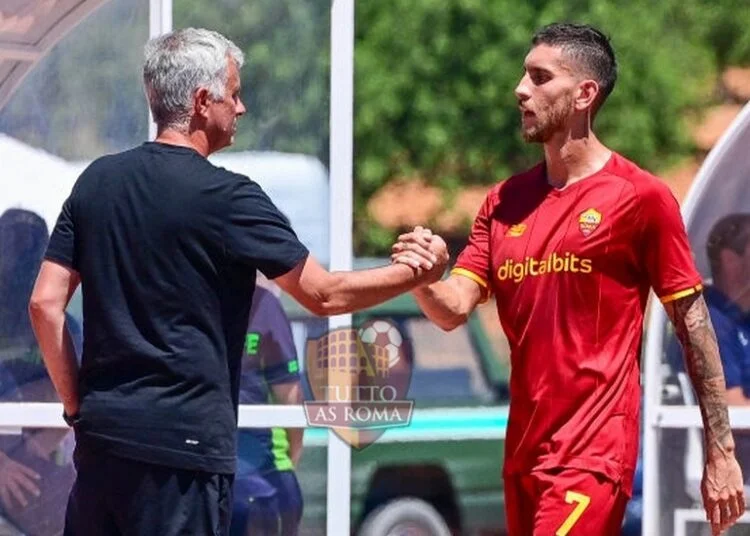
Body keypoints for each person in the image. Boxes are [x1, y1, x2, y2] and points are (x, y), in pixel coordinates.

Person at [28, 27, 448, 536]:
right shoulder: (229, 196)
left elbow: (45, 304)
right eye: (235, 92)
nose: (242, 107)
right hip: (183, 454)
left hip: (101, 445)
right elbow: (323, 294)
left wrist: (76, 405)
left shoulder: (97, 181)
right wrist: (413, 273)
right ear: (204, 101)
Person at [392, 22, 745, 535]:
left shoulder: (640, 198)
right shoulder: (503, 202)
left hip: (594, 455)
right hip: (522, 454)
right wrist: (422, 278)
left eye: (539, 77)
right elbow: (452, 308)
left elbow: (694, 328)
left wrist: (722, 452)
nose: (520, 89)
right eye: (523, 74)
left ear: (584, 94)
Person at [0, 208, 81, 536]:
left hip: (37, 469)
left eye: (28, 249)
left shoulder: (63, 327)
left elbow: (75, 394)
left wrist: (29, 453)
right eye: (11, 248)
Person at [231, 281, 304, 536]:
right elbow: (290, 394)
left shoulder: (189, 298)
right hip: (266, 475)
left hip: (209, 472)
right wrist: (292, 460)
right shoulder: (263, 304)